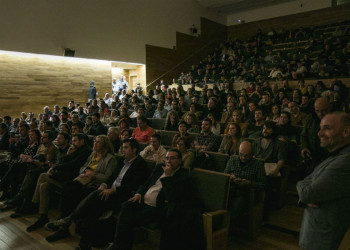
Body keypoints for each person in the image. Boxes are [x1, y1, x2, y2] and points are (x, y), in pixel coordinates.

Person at [105, 149, 202, 250]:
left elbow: (172, 197)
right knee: (126, 206)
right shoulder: (160, 168)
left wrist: (168, 176)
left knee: (128, 218)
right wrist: (139, 193)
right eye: (167, 158)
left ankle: (119, 246)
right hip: (142, 201)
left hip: (156, 208)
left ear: (180, 160)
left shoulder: (183, 175)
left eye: (173, 158)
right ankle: (120, 245)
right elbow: (146, 183)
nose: (168, 161)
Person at [44, 135, 117, 242]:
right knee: (68, 187)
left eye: (98, 142)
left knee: (70, 191)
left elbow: (108, 177)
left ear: (105, 145)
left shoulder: (111, 158)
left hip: (95, 185)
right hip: (83, 180)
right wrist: (85, 172)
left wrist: (93, 175)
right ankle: (63, 223)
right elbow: (82, 168)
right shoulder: (93, 154)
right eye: (94, 141)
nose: (95, 143)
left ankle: (63, 224)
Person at [297, 112, 350, 250]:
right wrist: (308, 182)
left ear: (346, 132)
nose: (319, 133)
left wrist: (301, 183)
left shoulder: (345, 161)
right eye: (320, 128)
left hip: (324, 239)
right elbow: (310, 180)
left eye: (327, 128)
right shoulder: (335, 155)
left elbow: (307, 194)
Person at [28, 133, 92, 231]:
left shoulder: (86, 151)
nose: (73, 143)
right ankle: (43, 216)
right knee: (44, 186)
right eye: (73, 140)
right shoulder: (76, 150)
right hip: (65, 177)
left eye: (75, 140)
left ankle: (33, 204)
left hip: (71, 180)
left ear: (82, 141)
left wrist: (55, 167)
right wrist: (68, 154)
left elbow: (74, 165)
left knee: (43, 175)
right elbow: (65, 162)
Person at [224, 141, 266, 224]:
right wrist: (230, 177)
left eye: (246, 155)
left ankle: (228, 227)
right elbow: (224, 175)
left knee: (235, 209)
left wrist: (248, 183)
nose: (243, 157)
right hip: (231, 189)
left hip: (246, 193)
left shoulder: (258, 165)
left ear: (252, 154)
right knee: (219, 203)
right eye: (241, 154)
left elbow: (263, 185)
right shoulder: (232, 160)